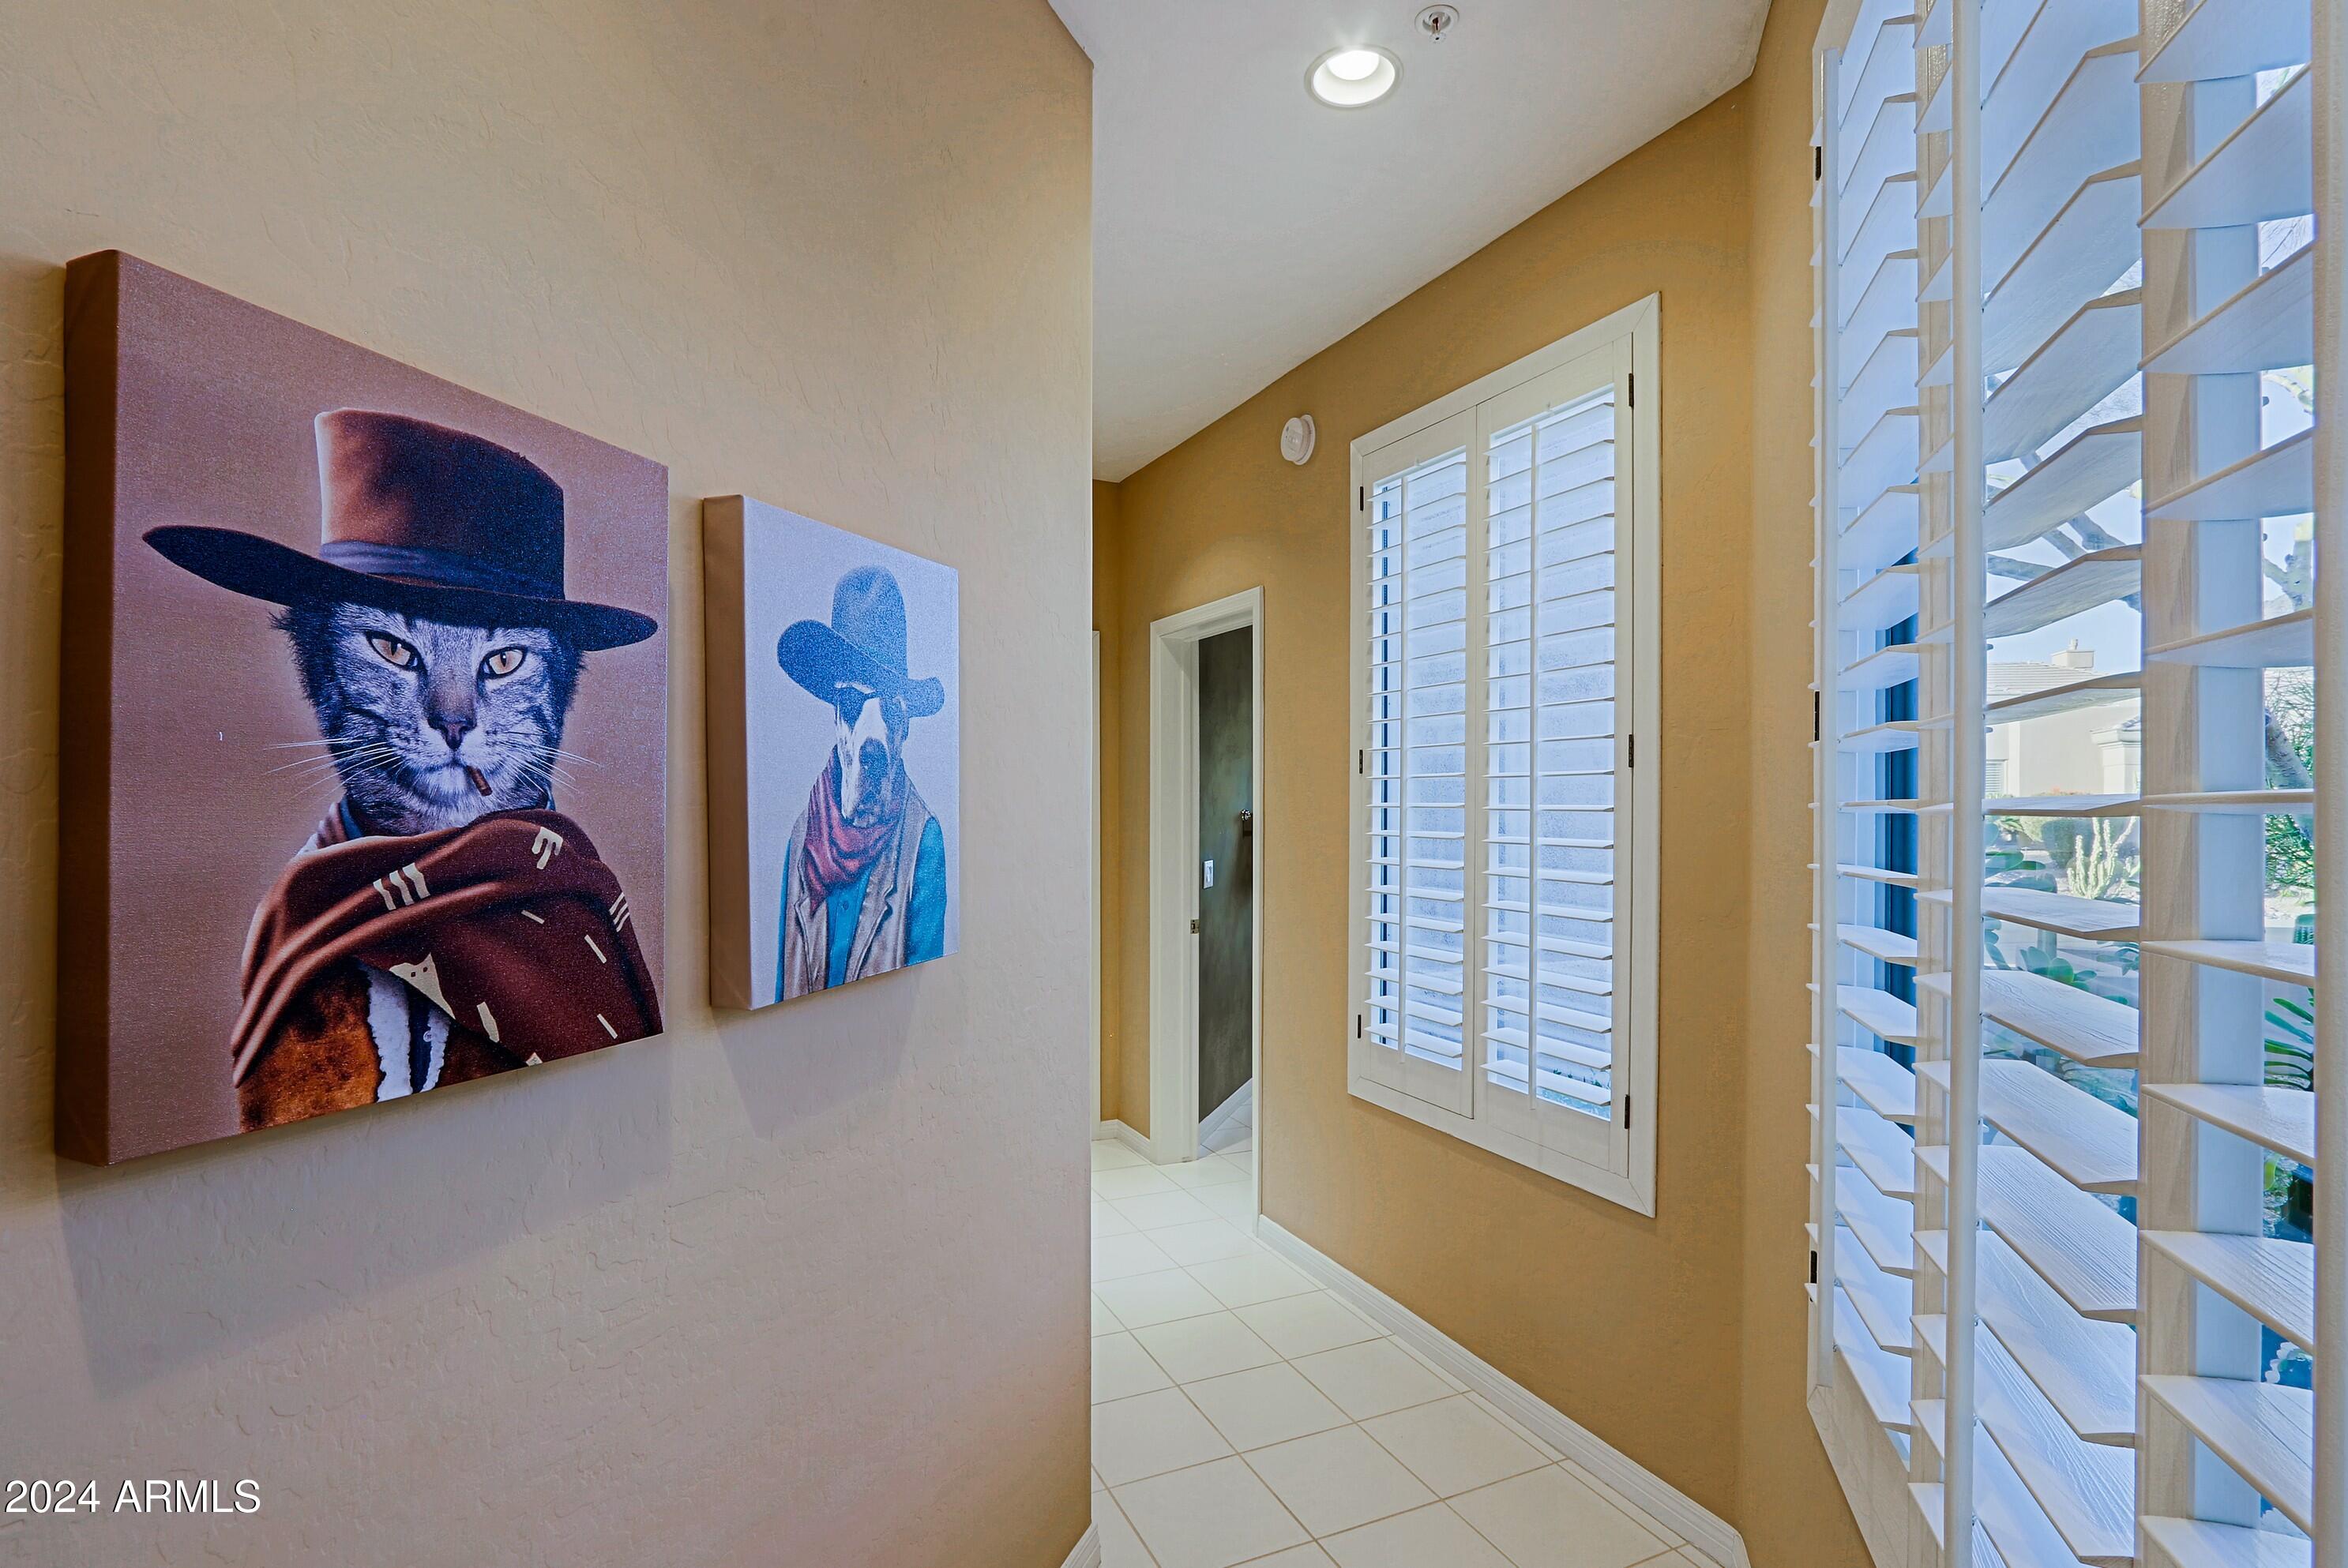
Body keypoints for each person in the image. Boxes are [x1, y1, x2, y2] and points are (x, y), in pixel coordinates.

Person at [147, 410, 662, 1130]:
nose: (453, 716)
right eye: (393, 650)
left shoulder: (580, 896)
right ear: (317, 661)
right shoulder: (304, 910)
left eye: (503, 661)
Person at [773, 565, 948, 999]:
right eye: (853, 703)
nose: (872, 734)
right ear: (836, 716)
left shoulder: (923, 844)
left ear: (903, 728)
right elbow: (783, 990)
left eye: (888, 709)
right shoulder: (803, 839)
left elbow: (921, 998)